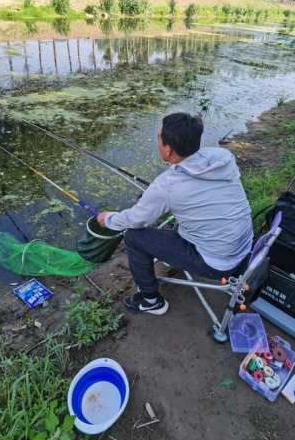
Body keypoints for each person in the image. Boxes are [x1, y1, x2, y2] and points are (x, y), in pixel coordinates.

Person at [97, 112, 253, 316]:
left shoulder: (167, 185)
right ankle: (171, 260)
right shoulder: (222, 158)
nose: (157, 140)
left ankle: (151, 300)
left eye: (159, 137)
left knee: (133, 237)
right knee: (164, 211)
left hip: (218, 263)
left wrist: (107, 219)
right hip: (245, 249)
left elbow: (135, 220)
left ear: (168, 149)